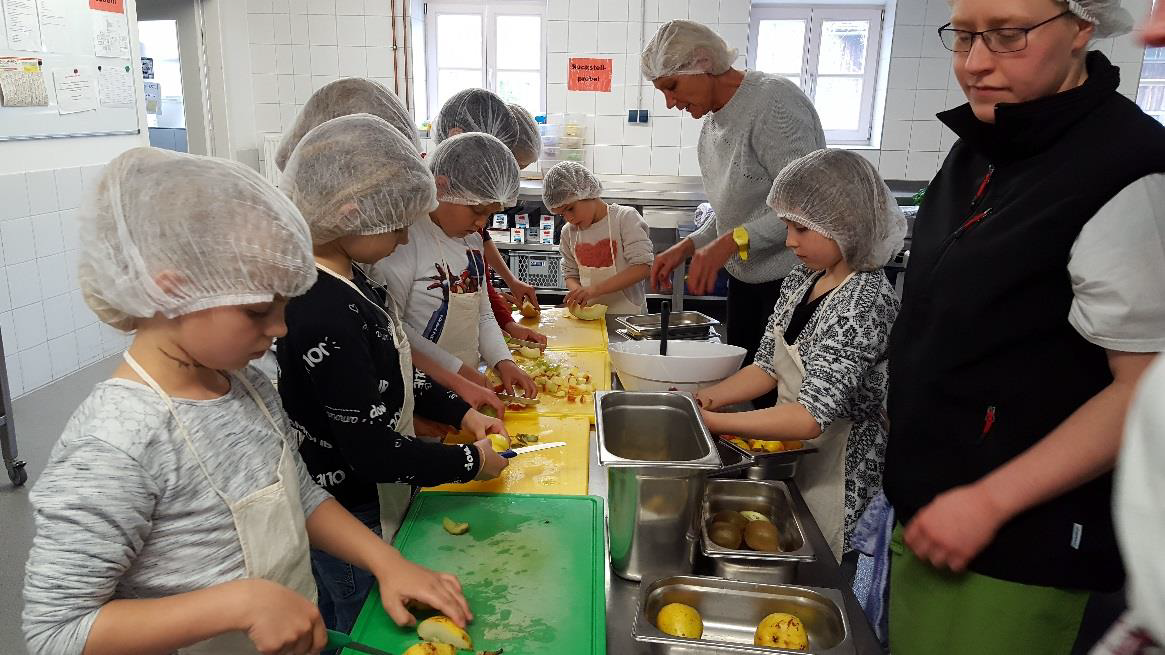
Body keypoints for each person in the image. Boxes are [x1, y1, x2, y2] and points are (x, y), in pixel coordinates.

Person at [22, 147, 472, 655]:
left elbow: (298, 496)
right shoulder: (113, 444)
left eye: (283, 306)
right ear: (169, 291)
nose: (279, 329)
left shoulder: (245, 387)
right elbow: (55, 632)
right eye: (258, 311)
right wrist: (239, 605)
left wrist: (385, 561)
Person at [883, 0, 1165, 652]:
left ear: (1082, 28)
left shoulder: (1126, 169)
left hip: (1020, 545)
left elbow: (1142, 387)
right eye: (963, 37)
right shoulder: (982, 148)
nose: (975, 64)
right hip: (933, 509)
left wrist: (988, 500)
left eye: (1008, 36)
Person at [276, 114, 510, 639]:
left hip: (379, 494)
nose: (406, 237)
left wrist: (460, 411)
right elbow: (370, 449)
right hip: (348, 511)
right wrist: (469, 461)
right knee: (364, 628)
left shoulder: (354, 277)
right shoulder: (320, 308)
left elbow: (395, 374)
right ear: (350, 213)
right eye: (398, 223)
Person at [695, 149, 905, 560]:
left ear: (846, 225)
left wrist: (711, 422)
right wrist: (705, 398)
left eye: (801, 229)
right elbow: (768, 366)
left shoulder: (865, 301)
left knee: (824, 569)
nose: (789, 241)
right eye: (787, 226)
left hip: (839, 472)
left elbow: (810, 418)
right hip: (793, 457)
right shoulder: (804, 278)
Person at [273, 77, 505, 417]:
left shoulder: (355, 266)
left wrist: (452, 401)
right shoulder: (313, 296)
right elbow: (356, 419)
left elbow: (393, 351)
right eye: (396, 226)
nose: (403, 238)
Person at [641, 19, 826, 408]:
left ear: (703, 62)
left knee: (783, 396)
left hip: (793, 281)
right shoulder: (712, 125)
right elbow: (733, 215)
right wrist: (688, 247)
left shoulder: (773, 103)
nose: (670, 103)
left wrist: (731, 242)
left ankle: (781, 467)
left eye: (672, 87)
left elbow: (806, 203)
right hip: (748, 279)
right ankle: (755, 462)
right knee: (748, 384)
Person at [375, 132, 539, 399]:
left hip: (470, 388)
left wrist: (503, 361)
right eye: (477, 211)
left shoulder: (472, 241)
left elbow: (483, 314)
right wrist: (459, 373)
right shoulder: (405, 240)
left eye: (489, 214)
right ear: (441, 187)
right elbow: (396, 327)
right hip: (424, 392)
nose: (482, 224)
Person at [431, 89, 547, 351]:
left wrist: (509, 284)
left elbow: (477, 269)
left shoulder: (468, 218)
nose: (501, 172)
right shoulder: (434, 215)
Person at [542, 161, 653, 314]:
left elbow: (643, 267)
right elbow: (570, 274)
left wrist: (593, 290)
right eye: (562, 214)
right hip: (589, 318)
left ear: (587, 192)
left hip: (628, 318)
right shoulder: (568, 232)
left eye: (570, 209)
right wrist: (578, 293)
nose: (569, 218)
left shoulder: (623, 218)